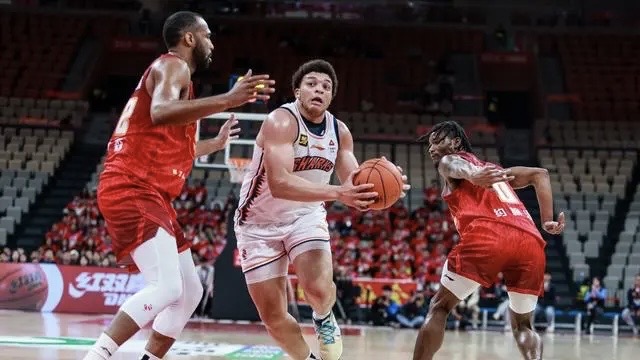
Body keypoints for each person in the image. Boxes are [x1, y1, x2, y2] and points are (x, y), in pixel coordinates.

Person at [84, 11, 275, 360]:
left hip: (150, 190)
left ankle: (150, 357)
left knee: (190, 292)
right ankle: (96, 356)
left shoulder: (179, 82)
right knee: (168, 288)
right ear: (189, 38)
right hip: (132, 185)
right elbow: (160, 111)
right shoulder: (174, 66)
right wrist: (228, 100)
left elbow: (166, 139)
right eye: (208, 35)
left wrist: (212, 146)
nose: (212, 43)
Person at [233, 59, 409, 360]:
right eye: (312, 84)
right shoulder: (281, 121)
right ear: (297, 91)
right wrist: (338, 193)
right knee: (273, 316)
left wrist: (380, 190)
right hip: (258, 224)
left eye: (326, 87)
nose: (319, 90)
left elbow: (352, 181)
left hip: (306, 215)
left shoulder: (339, 133)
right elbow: (279, 184)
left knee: (318, 289)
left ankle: (325, 317)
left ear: (331, 97)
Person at [412, 121, 565, 360]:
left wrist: (473, 175)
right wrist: (547, 221)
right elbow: (540, 174)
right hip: (530, 241)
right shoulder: (497, 170)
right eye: (429, 144)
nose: (431, 148)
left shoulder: (450, 162)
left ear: (455, 142)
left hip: (488, 235)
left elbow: (454, 164)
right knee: (524, 324)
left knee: (440, 307)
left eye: (437, 140)